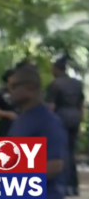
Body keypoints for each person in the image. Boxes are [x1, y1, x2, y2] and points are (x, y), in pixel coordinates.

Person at [8, 66, 67, 199]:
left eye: (14, 87)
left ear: (29, 87)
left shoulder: (49, 121)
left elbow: (54, 165)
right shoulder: (20, 119)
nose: (9, 91)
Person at [46, 56, 84, 197]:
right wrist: (80, 121)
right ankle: (73, 186)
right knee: (71, 151)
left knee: (61, 152)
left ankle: (64, 185)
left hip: (61, 118)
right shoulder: (77, 84)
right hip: (75, 118)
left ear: (57, 69)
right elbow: (81, 105)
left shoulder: (54, 85)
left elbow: (51, 106)